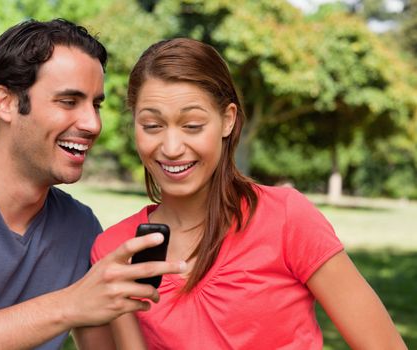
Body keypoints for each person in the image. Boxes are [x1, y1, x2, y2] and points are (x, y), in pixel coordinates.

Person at [89, 38, 408, 349]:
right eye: (152, 126)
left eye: (193, 125)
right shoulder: (114, 250)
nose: (171, 148)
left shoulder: (285, 218)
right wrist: (124, 306)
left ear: (227, 120)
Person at [0, 19, 185, 350]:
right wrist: (66, 306)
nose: (93, 123)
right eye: (68, 101)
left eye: (96, 104)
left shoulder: (80, 227)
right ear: (5, 103)